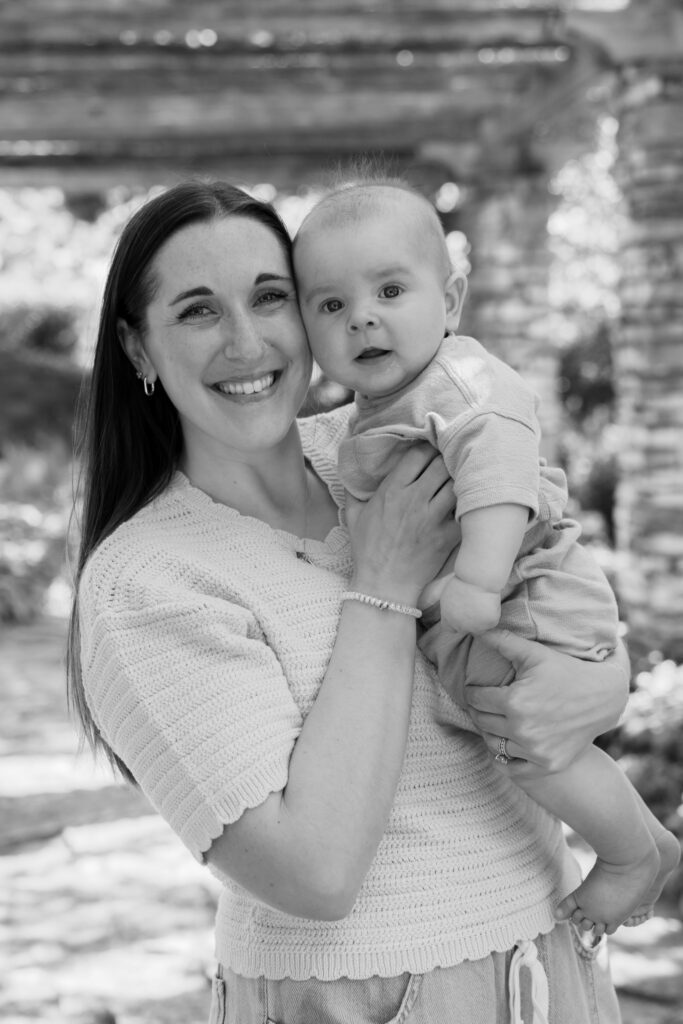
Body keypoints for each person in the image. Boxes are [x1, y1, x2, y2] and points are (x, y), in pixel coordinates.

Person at [67, 179, 632, 1024]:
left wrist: (604, 679)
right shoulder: (145, 583)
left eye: (270, 297)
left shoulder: (385, 445)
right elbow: (312, 874)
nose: (246, 340)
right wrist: (382, 587)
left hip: (545, 964)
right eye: (196, 311)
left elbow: (544, 576)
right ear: (137, 349)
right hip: (361, 1002)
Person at [292, 177, 680, 938]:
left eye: (390, 289)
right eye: (330, 305)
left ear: (452, 300)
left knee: (534, 748)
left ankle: (634, 854)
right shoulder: (370, 412)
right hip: (487, 613)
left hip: (523, 593)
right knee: (527, 739)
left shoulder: (464, 383)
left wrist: (478, 576)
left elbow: (500, 473)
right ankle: (649, 840)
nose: (361, 316)